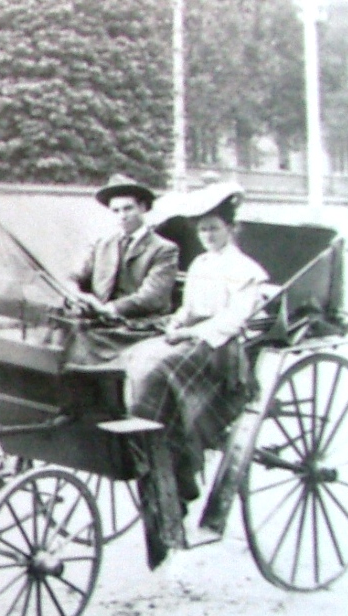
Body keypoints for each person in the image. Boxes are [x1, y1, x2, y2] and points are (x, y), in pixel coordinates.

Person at [122, 181, 269, 563]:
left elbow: (232, 321)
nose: (207, 236)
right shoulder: (201, 264)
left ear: (230, 230)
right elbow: (187, 308)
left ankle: (170, 447)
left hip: (219, 350)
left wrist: (189, 332)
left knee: (157, 367)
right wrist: (174, 325)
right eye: (202, 230)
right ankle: (149, 437)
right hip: (190, 337)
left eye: (214, 229)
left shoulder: (247, 270)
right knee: (139, 355)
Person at [69, 174, 179, 320]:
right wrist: (76, 295)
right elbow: (74, 277)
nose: (122, 216)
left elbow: (152, 297)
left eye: (128, 209)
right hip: (99, 321)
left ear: (142, 207)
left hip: (141, 325)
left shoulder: (164, 249)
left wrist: (109, 309)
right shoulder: (101, 244)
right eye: (116, 211)